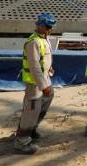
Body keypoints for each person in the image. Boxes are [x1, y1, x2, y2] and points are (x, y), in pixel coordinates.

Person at [13, 13, 57, 154]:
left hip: (45, 77)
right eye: (47, 26)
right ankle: (22, 141)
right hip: (34, 82)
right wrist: (43, 86)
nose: (50, 29)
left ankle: (32, 130)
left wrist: (49, 67)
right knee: (31, 110)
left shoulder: (44, 39)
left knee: (44, 103)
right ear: (39, 25)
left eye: (51, 27)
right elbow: (34, 66)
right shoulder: (33, 42)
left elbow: (44, 58)